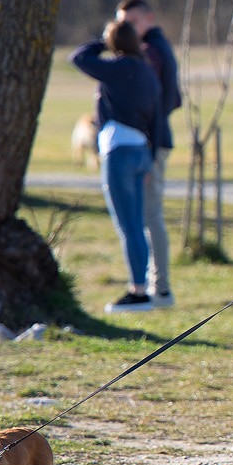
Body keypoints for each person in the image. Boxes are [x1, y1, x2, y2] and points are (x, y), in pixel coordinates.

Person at [71, 20, 167, 313]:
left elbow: (78, 58)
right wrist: (150, 160)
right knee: (137, 225)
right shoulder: (148, 73)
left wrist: (104, 43)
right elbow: (156, 118)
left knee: (128, 227)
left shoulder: (117, 67)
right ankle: (143, 287)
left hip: (119, 153)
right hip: (141, 152)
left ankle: (137, 292)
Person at [117, 0, 182, 308]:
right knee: (149, 215)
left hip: (150, 143)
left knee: (150, 215)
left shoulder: (151, 52)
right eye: (122, 22)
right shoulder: (160, 48)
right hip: (154, 140)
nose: (125, 28)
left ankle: (160, 289)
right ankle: (159, 288)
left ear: (149, 19)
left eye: (131, 22)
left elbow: (153, 102)